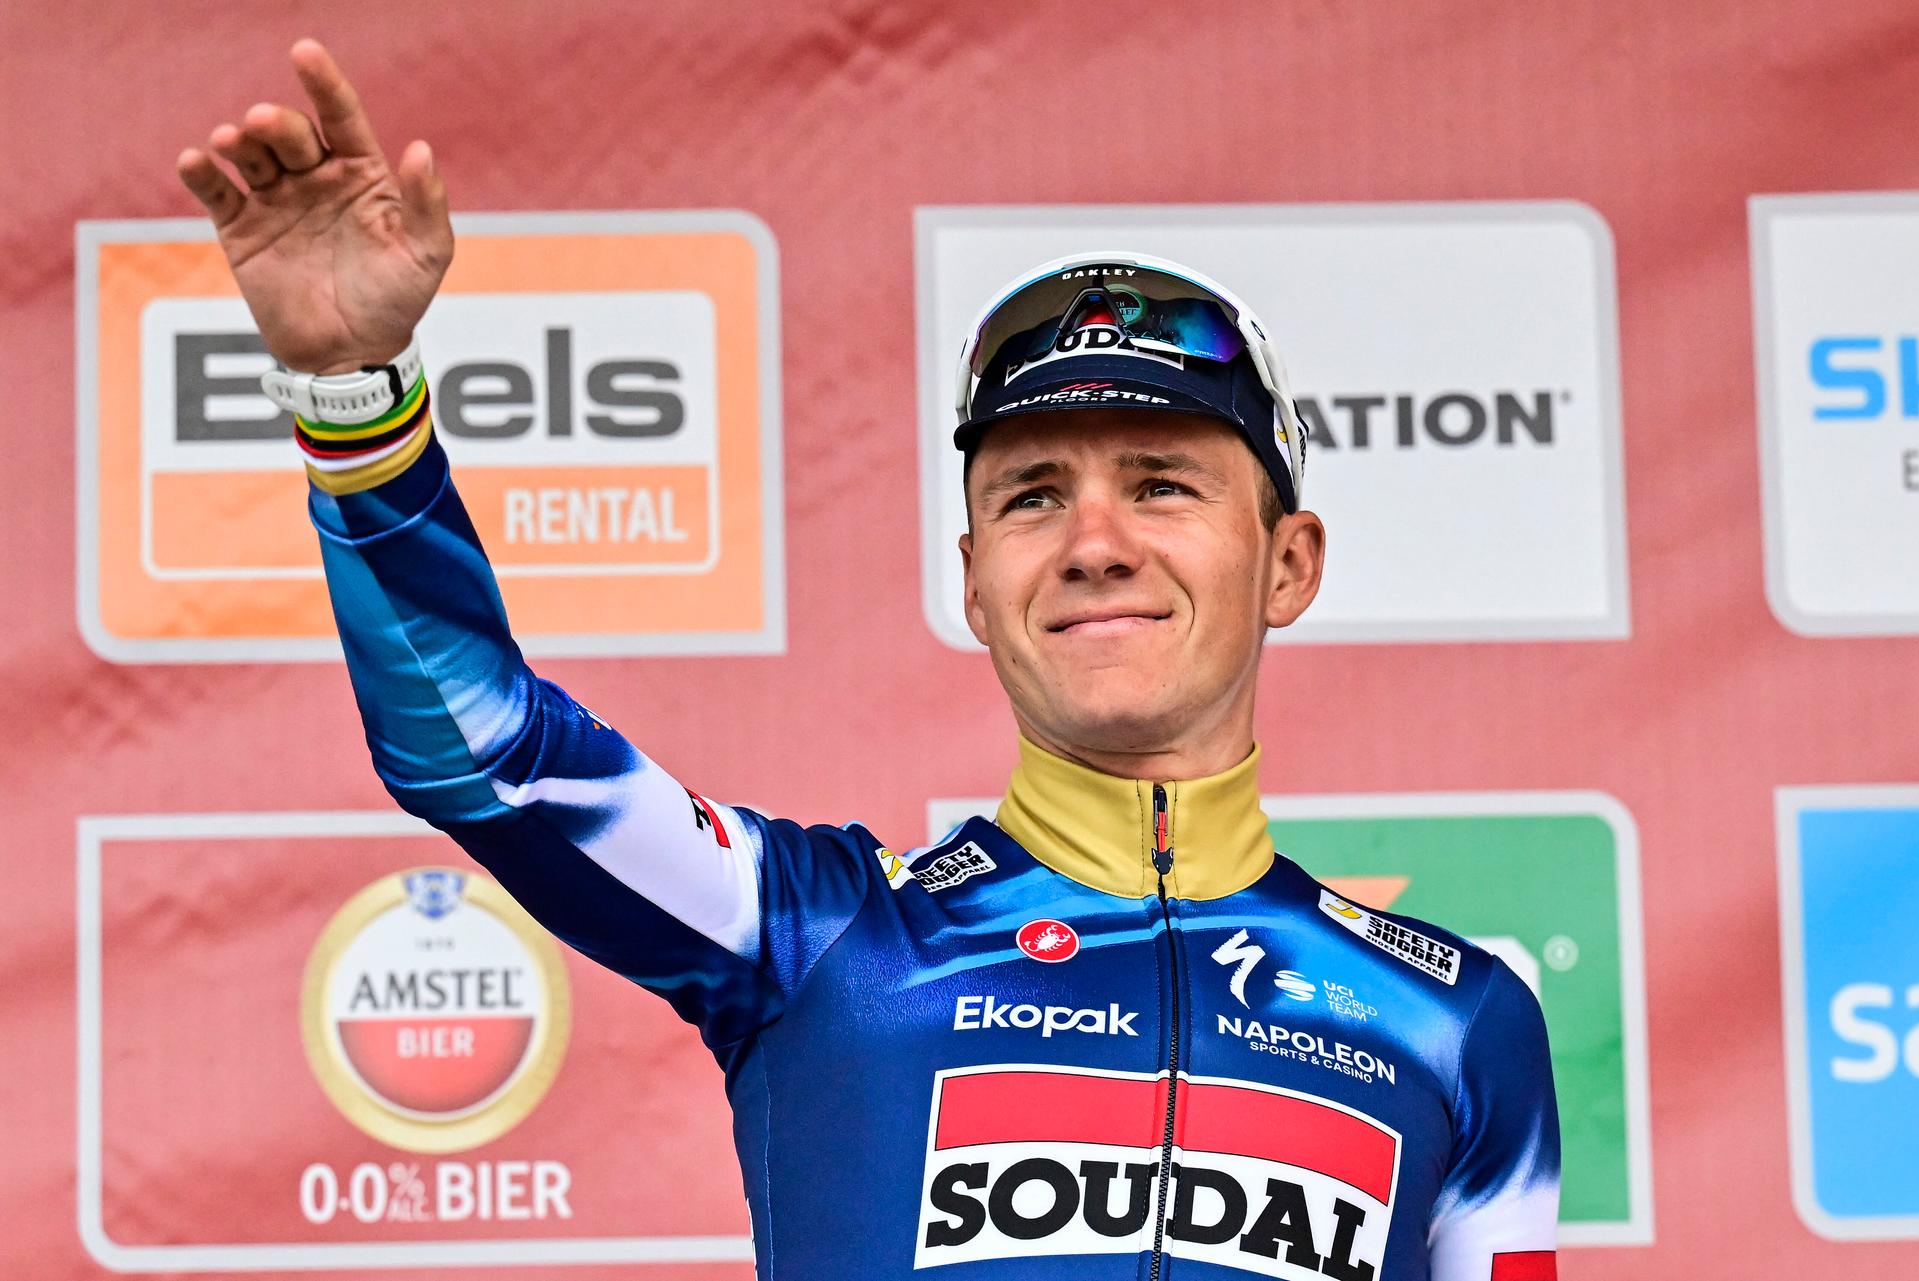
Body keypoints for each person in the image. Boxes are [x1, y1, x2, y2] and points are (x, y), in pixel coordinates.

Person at [178, 39, 1560, 1281]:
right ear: (973, 582)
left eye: (1161, 484)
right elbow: (480, 749)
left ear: (1288, 563)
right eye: (1030, 497)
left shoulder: (1454, 1021)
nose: (1094, 542)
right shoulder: (820, 934)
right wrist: (354, 399)